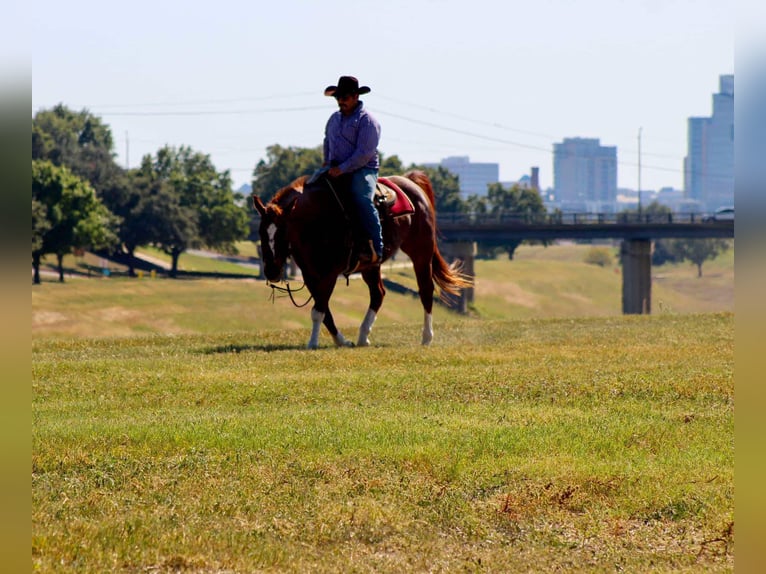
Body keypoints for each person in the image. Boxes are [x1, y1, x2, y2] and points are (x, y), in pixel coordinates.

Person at [322, 75, 383, 265]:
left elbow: (364, 153)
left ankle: (376, 248)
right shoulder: (333, 119)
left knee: (362, 198)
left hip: (363, 169)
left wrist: (342, 169)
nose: (341, 101)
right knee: (309, 190)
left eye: (345, 97)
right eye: (338, 97)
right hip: (334, 168)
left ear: (356, 96)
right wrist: (327, 163)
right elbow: (327, 142)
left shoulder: (368, 121)